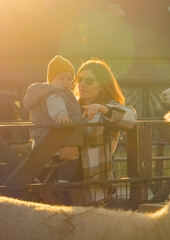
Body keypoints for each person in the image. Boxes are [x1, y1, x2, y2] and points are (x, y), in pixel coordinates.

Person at [72, 58, 136, 206]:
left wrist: (102, 108)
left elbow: (131, 118)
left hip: (94, 184)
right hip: (63, 184)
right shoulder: (70, 106)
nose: (82, 84)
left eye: (89, 80)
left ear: (102, 86)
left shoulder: (108, 109)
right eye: (79, 79)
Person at [23, 55, 82, 184]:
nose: (66, 82)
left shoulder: (59, 92)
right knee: (71, 156)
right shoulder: (55, 93)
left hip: (46, 134)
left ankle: (41, 178)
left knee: (49, 159)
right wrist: (61, 115)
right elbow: (56, 105)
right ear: (51, 80)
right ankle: (62, 181)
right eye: (61, 78)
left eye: (69, 79)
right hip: (52, 133)